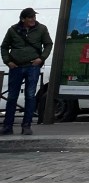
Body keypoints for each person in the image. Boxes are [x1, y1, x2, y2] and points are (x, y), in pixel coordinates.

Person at [1, 8, 52, 136]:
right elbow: (4, 46)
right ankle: (7, 126)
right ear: (23, 19)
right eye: (30, 17)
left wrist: (41, 59)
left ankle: (27, 125)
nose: (33, 19)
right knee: (12, 97)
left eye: (34, 16)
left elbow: (48, 44)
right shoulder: (13, 30)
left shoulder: (42, 29)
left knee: (30, 95)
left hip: (32, 67)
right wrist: (8, 61)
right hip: (16, 66)